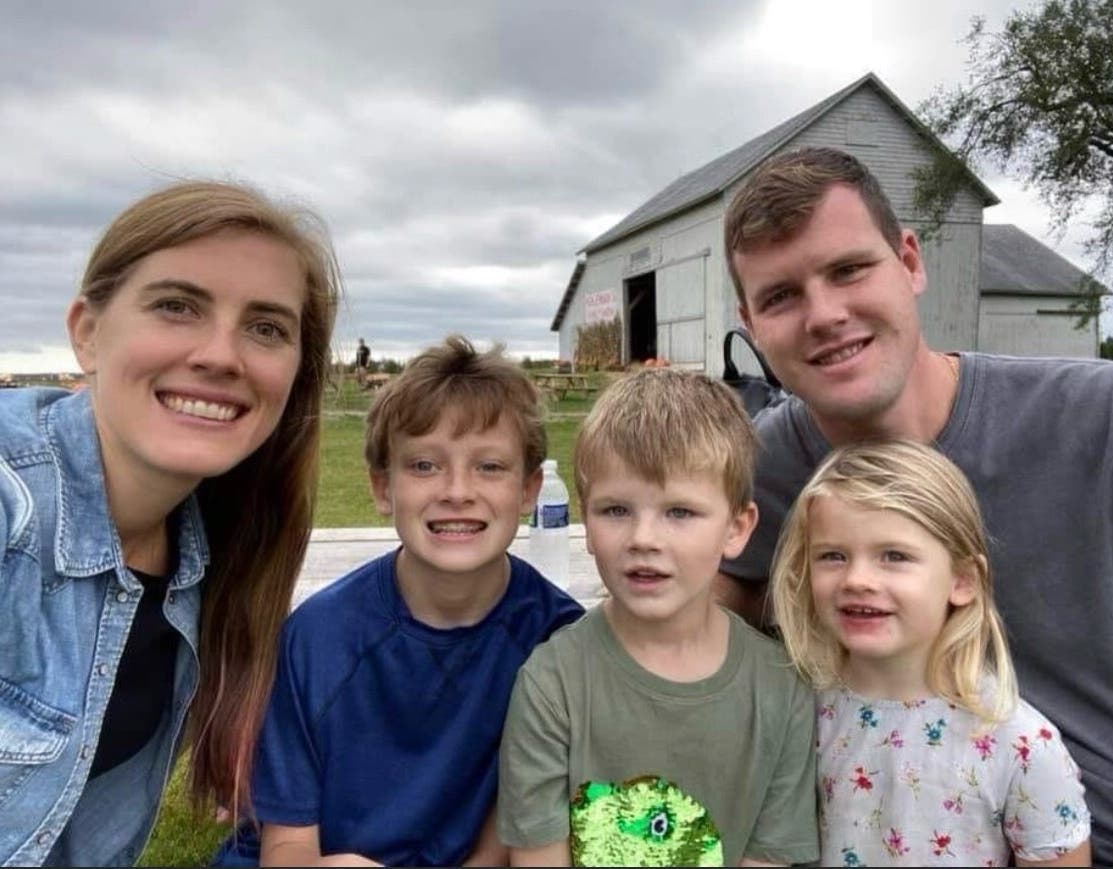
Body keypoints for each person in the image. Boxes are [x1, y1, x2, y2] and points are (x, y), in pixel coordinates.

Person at [716, 145, 1113, 866]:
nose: (824, 314)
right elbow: (668, 625)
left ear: (910, 262)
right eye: (780, 297)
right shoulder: (751, 473)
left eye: (848, 270)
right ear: (751, 323)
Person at [0, 179, 341, 866]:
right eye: (177, 306)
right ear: (88, 332)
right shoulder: (14, 499)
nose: (221, 355)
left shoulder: (215, 553)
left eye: (266, 327)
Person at [238, 334, 584, 867]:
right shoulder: (318, 637)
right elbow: (287, 846)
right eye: (424, 465)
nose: (457, 491)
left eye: (490, 466)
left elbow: (522, 840)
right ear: (383, 489)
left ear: (529, 491)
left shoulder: (559, 640)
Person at [498, 367, 819, 867]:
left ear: (737, 529)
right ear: (586, 522)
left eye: (679, 512)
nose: (643, 539)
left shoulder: (782, 690)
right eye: (616, 511)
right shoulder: (551, 684)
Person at [771, 440, 1091, 866]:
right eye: (833, 556)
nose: (857, 579)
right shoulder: (792, 709)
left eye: (894, 556)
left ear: (963, 580)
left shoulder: (1019, 745)